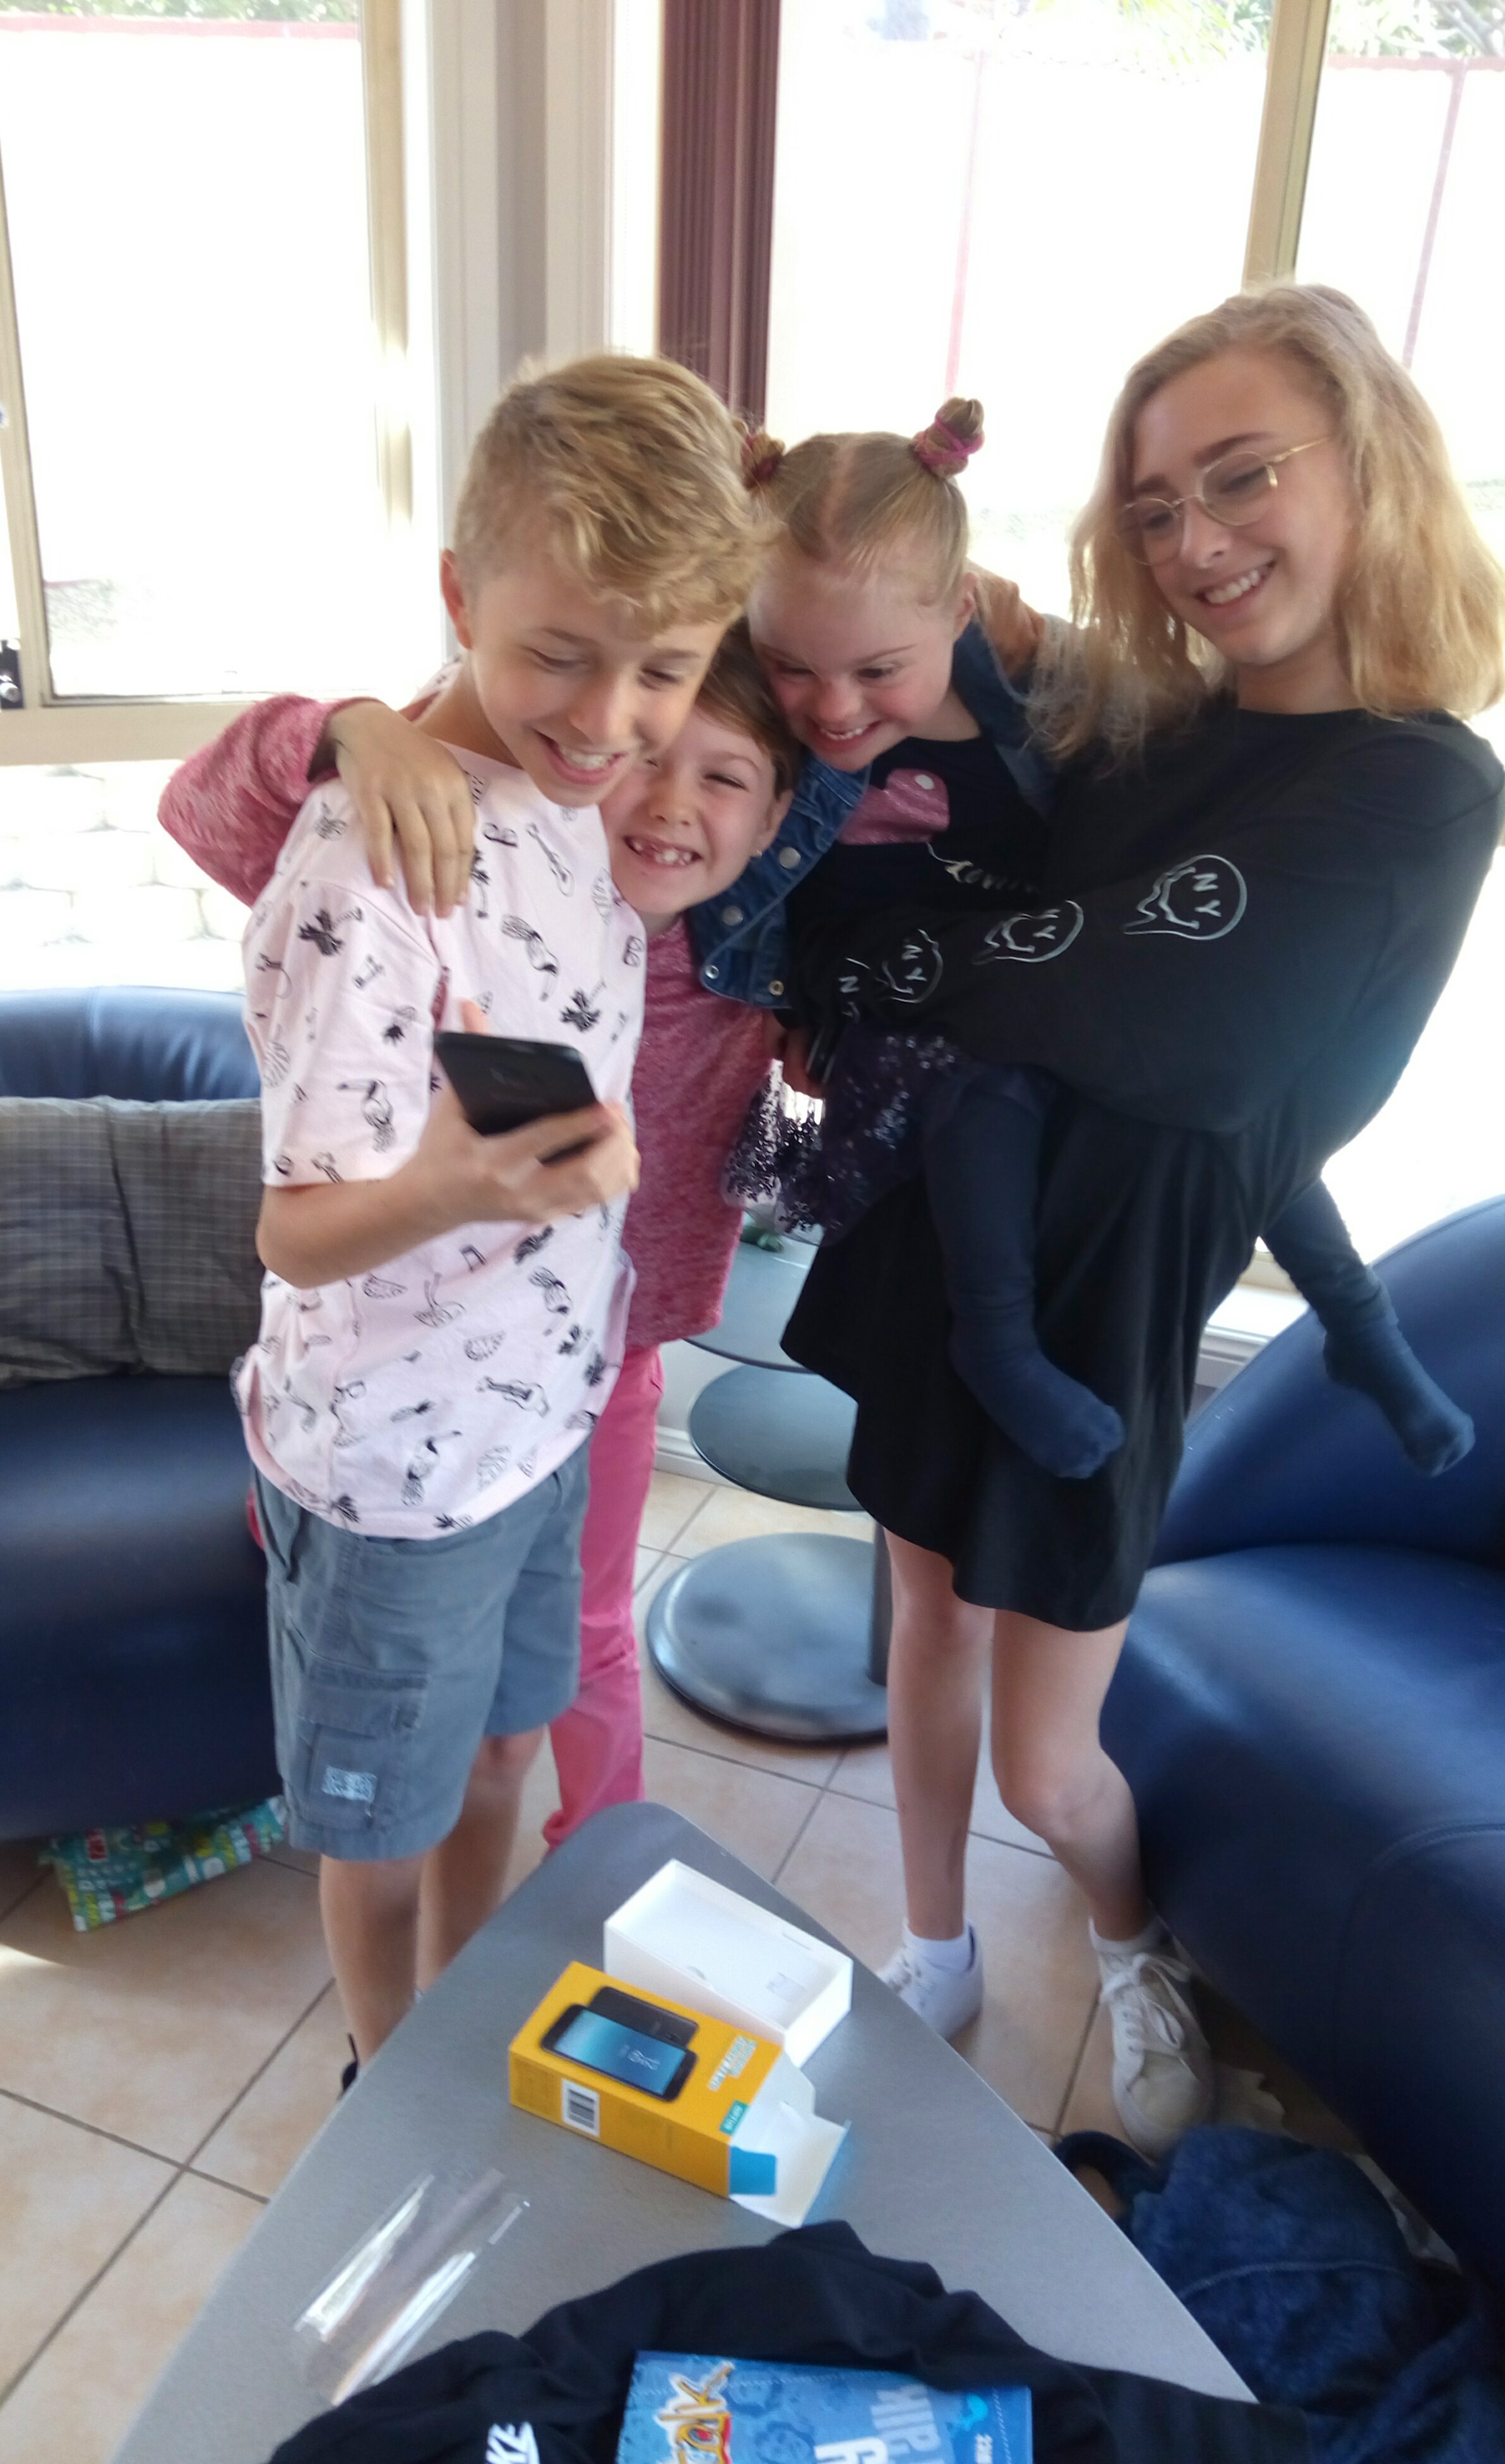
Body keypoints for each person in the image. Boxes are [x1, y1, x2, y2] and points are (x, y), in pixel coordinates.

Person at [780, 285, 1505, 2155]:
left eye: (1243, 477)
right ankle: (936, 1943)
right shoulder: (1139, 724)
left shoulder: (1417, 782)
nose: (1198, 541)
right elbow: (875, 710)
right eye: (1158, 503)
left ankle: (1126, 1940)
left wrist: (880, 979)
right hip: (945, 1237)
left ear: (1370, 466)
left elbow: (1164, 1019)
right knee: (920, 1622)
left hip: (1106, 1306)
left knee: (1052, 1758)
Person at [234, 353, 766, 2076]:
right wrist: (454, 1188)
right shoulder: (370, 863)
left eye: (663, 670)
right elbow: (293, 1235)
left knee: (501, 1755)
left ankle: (464, 2017)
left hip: (538, 1426)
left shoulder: (578, 809)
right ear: (460, 597)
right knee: (384, 1821)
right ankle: (387, 2066)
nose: (610, 720)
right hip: (394, 1471)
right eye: (559, 654)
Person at [737, 401, 1476, 1483]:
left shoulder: (1028, 687)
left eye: (879, 669)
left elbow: (1142, 725)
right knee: (984, 1080)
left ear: (959, 610)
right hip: (897, 998)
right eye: (791, 667)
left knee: (1239, 1120)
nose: (834, 708)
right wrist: (786, 1006)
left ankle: (1362, 1326)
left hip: (1029, 959)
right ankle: (998, 1339)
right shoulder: (746, 707)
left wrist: (1041, 639)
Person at [165, 628, 797, 1857]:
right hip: (398, 1381)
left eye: (720, 779)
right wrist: (352, 728)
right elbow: (212, 805)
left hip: (604, 1351)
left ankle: (598, 1857)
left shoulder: (751, 948)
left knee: (577, 1646)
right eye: (647, 758)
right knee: (387, 1619)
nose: (670, 803)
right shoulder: (478, 867)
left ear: (772, 822)